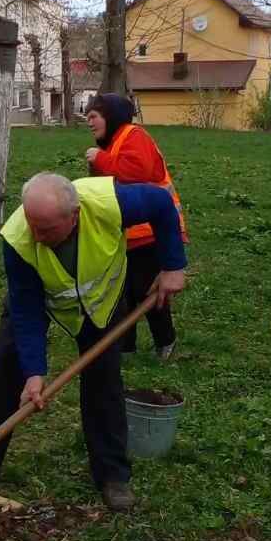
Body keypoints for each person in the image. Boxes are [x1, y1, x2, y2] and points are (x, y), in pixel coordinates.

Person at [0, 172, 187, 511]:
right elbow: (25, 307)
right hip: (44, 298)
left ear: (74, 215)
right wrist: (34, 371)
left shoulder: (111, 203)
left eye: (47, 229)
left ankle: (112, 475)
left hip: (102, 303)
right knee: (9, 366)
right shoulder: (18, 237)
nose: (37, 234)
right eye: (33, 224)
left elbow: (162, 204)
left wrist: (173, 266)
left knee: (103, 378)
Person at [84, 94, 187, 361]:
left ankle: (166, 341)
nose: (89, 123)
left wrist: (100, 159)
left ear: (111, 115)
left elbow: (137, 172)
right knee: (121, 292)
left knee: (147, 290)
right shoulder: (113, 144)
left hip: (149, 232)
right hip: (125, 234)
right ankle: (125, 346)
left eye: (94, 116)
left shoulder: (134, 135)